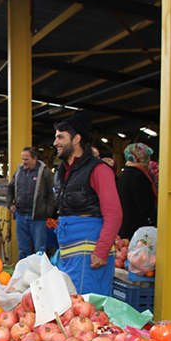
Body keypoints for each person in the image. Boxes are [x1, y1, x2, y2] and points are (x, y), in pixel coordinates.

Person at [52, 113, 122, 295]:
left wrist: (102, 250)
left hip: (89, 255)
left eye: (60, 137)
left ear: (76, 139)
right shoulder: (62, 171)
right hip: (69, 253)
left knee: (87, 308)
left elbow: (114, 214)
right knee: (70, 306)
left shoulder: (99, 170)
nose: (55, 143)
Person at [7, 147, 56, 260]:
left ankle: (39, 275)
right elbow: (10, 188)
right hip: (21, 216)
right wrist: (10, 204)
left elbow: (51, 194)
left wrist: (46, 212)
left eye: (26, 159)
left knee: (40, 250)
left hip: (37, 218)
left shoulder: (44, 172)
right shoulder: (19, 171)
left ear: (34, 159)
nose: (24, 162)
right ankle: (23, 276)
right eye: (22, 159)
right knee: (23, 250)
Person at [116, 143, 157, 240]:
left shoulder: (125, 175)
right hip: (137, 231)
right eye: (147, 157)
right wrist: (150, 222)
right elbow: (143, 205)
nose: (149, 160)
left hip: (124, 227)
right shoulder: (138, 177)